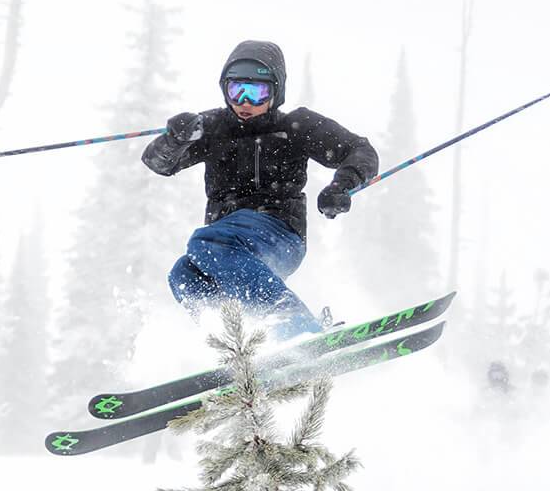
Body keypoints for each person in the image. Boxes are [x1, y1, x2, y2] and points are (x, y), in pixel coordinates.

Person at [143, 40, 378, 339]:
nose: (244, 102)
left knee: (207, 243)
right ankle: (241, 346)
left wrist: (342, 185)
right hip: (229, 248)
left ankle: (296, 327)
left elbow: (360, 150)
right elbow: (158, 163)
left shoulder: (295, 126)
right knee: (184, 274)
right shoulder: (213, 128)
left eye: (257, 93)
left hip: (279, 234)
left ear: (276, 92)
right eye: (235, 90)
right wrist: (175, 140)